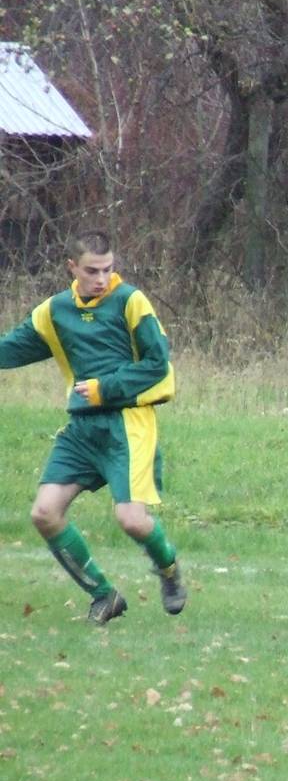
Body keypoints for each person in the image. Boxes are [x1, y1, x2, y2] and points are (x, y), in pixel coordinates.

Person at [0, 230, 187, 624]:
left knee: (132, 520)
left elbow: (158, 364)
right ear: (72, 267)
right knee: (45, 513)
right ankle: (104, 595)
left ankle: (169, 569)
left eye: (107, 269)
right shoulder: (55, 311)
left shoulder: (130, 301)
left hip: (127, 424)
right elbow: (12, 348)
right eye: (92, 271)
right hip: (82, 430)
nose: (102, 279)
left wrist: (105, 388)